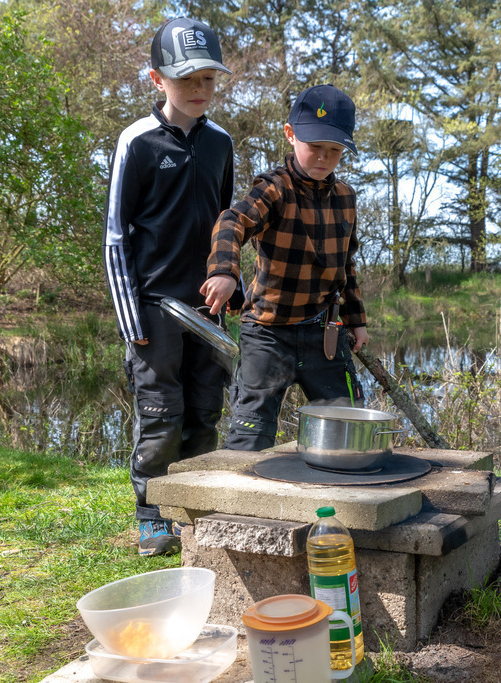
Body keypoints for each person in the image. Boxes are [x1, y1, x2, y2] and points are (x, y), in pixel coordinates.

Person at [103, 17, 237, 556]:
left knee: (204, 412)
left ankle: (194, 513)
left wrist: (232, 285)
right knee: (161, 415)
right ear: (157, 79)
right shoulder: (136, 141)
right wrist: (130, 317)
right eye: (186, 79)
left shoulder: (221, 143)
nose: (199, 89)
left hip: (207, 308)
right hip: (154, 308)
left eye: (208, 79)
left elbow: (226, 226)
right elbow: (116, 236)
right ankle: (153, 518)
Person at [201, 83, 368, 451]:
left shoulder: (346, 198)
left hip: (324, 333)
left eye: (334, 150)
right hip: (267, 333)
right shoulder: (273, 188)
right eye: (315, 146)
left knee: (349, 427)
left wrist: (356, 320)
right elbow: (231, 222)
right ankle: (238, 485)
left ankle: (339, 482)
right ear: (291, 135)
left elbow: (347, 265)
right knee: (251, 431)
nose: (323, 158)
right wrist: (224, 272)